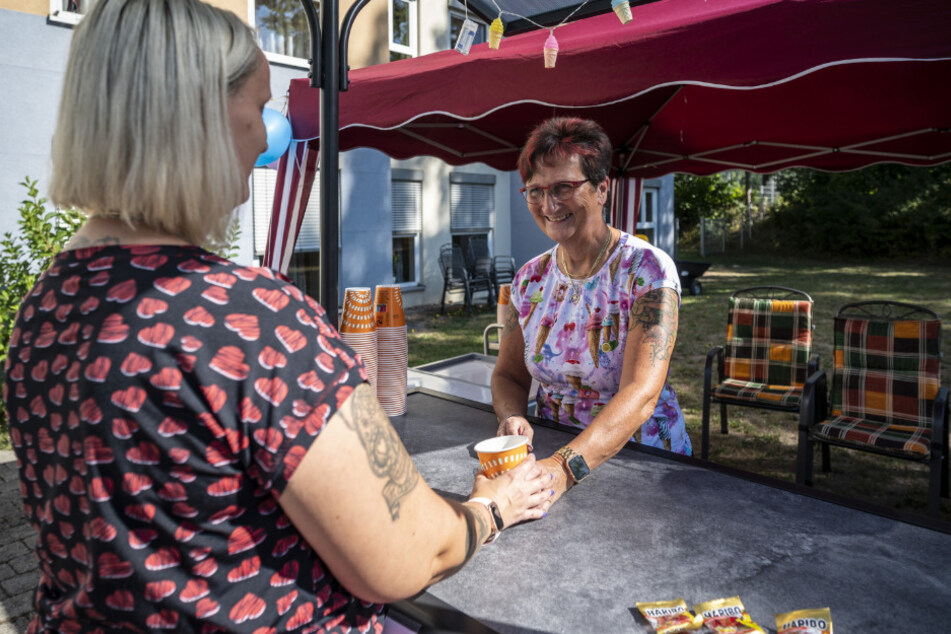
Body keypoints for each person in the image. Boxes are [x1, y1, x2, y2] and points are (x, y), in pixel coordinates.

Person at [2, 1, 552, 632]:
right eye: (259, 108)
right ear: (198, 115)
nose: (267, 137)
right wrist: (490, 508)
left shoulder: (45, 305)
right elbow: (404, 553)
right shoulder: (245, 318)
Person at [492, 117, 692, 504]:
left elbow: (642, 393)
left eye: (563, 187)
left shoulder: (647, 270)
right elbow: (507, 375)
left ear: (602, 189)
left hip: (642, 466)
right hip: (550, 459)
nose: (549, 205)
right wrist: (510, 415)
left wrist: (564, 468)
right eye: (535, 191)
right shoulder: (529, 280)